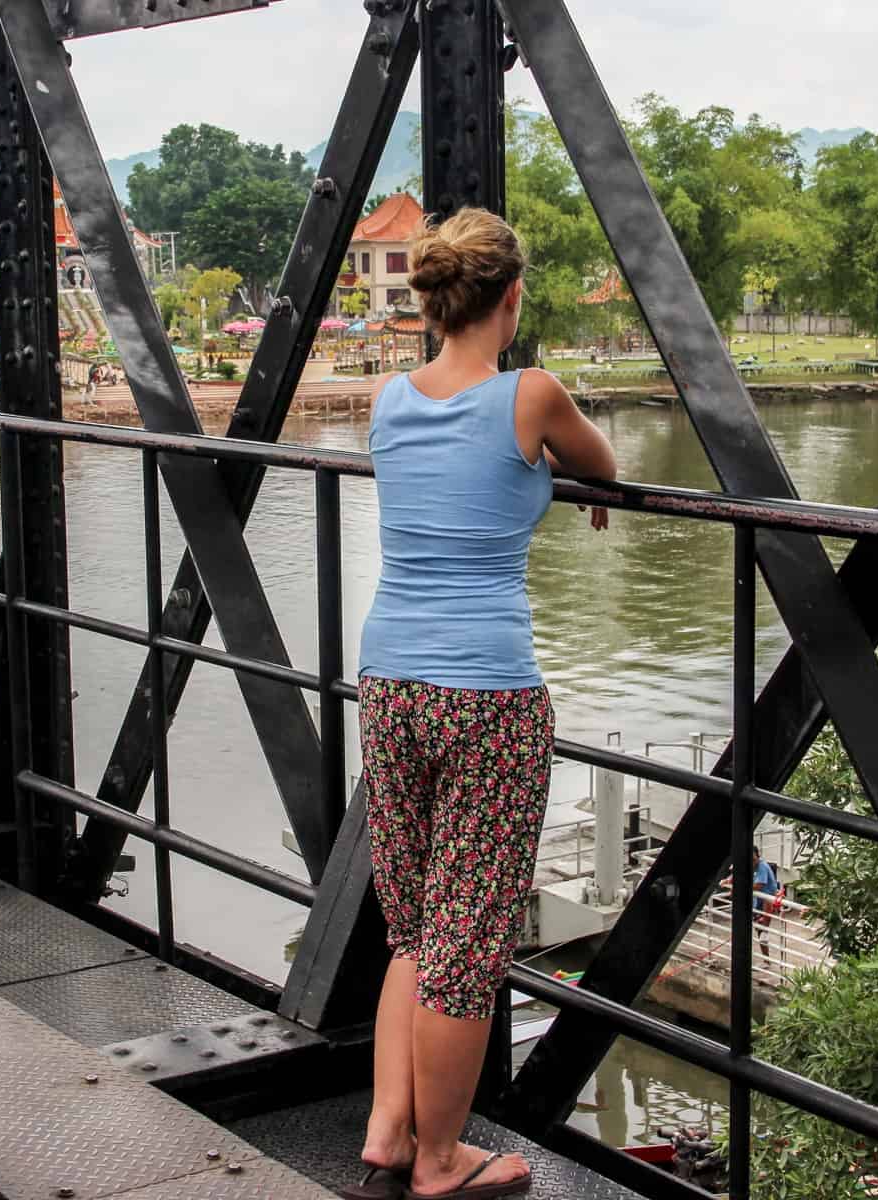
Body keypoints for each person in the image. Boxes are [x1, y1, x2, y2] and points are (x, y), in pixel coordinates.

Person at [344, 208, 617, 1200]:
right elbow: (606, 465)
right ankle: (439, 1162)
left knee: (414, 930)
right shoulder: (533, 393)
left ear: (430, 300)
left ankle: (385, 1131)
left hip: (390, 679)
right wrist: (565, 479)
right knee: (468, 945)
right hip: (487, 695)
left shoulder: (387, 400)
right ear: (510, 298)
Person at [751, 846, 781, 961]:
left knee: (762, 932)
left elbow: (759, 885)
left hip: (766, 903)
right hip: (756, 902)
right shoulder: (751, 864)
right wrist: (729, 880)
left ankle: (766, 960)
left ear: (757, 855)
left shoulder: (762, 866)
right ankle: (766, 960)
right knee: (760, 931)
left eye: (753, 859)